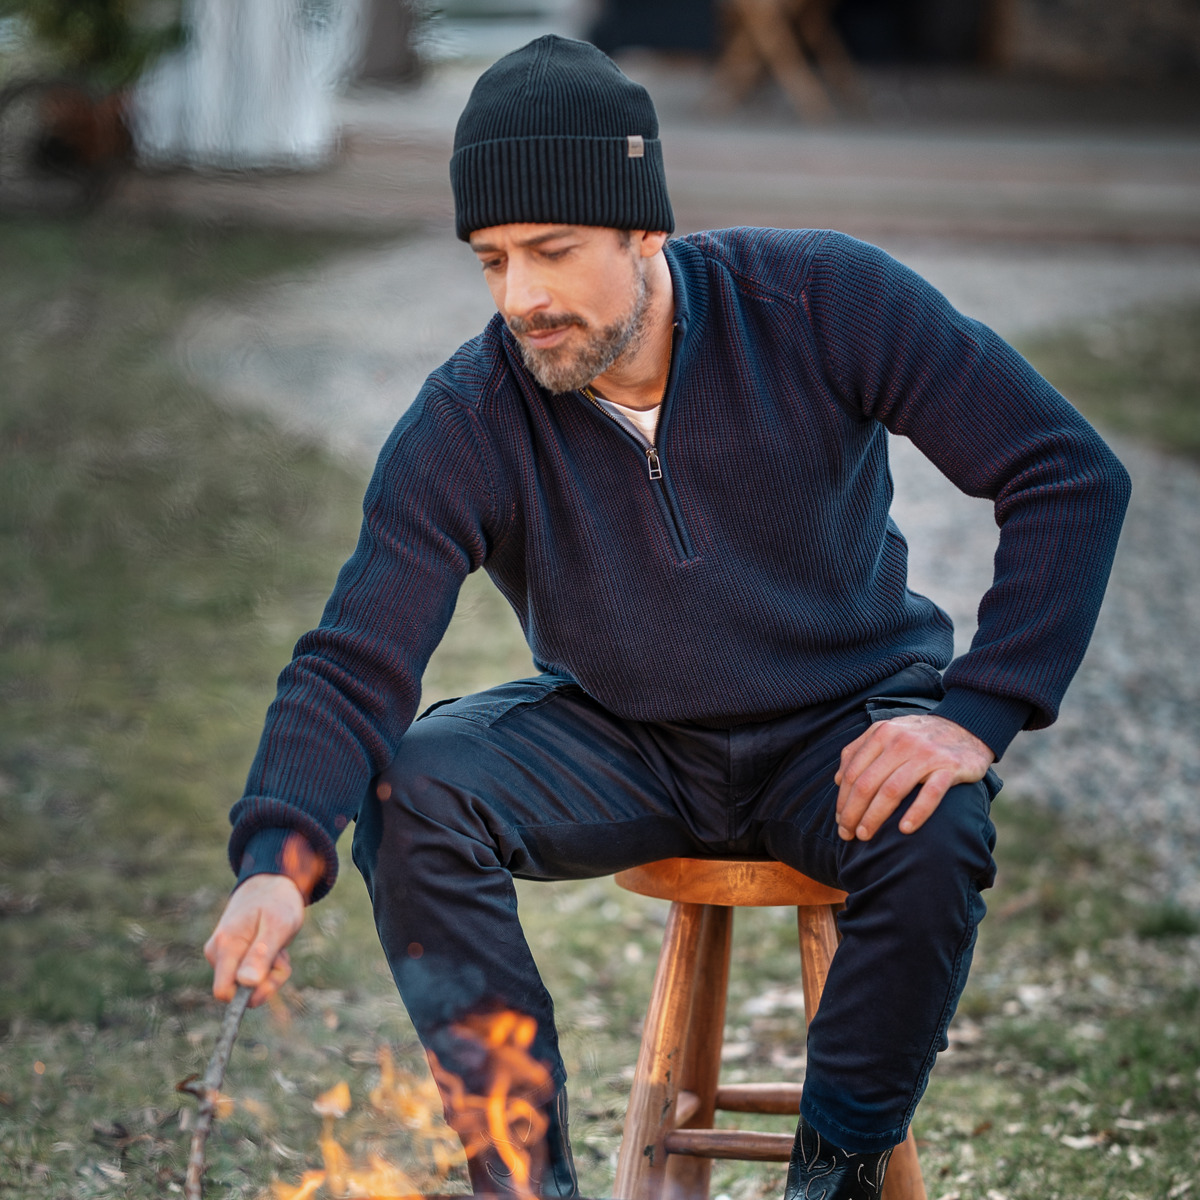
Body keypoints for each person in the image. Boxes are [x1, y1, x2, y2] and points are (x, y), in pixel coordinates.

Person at [203, 35, 1130, 1200]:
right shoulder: (472, 415)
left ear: (646, 230)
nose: (522, 298)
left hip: (839, 729)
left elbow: (1066, 473)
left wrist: (977, 715)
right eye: (491, 261)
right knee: (414, 787)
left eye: (553, 250)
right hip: (625, 740)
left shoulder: (821, 300)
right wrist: (279, 856)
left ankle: (834, 1171)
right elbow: (356, 656)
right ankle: (523, 1181)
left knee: (934, 819)